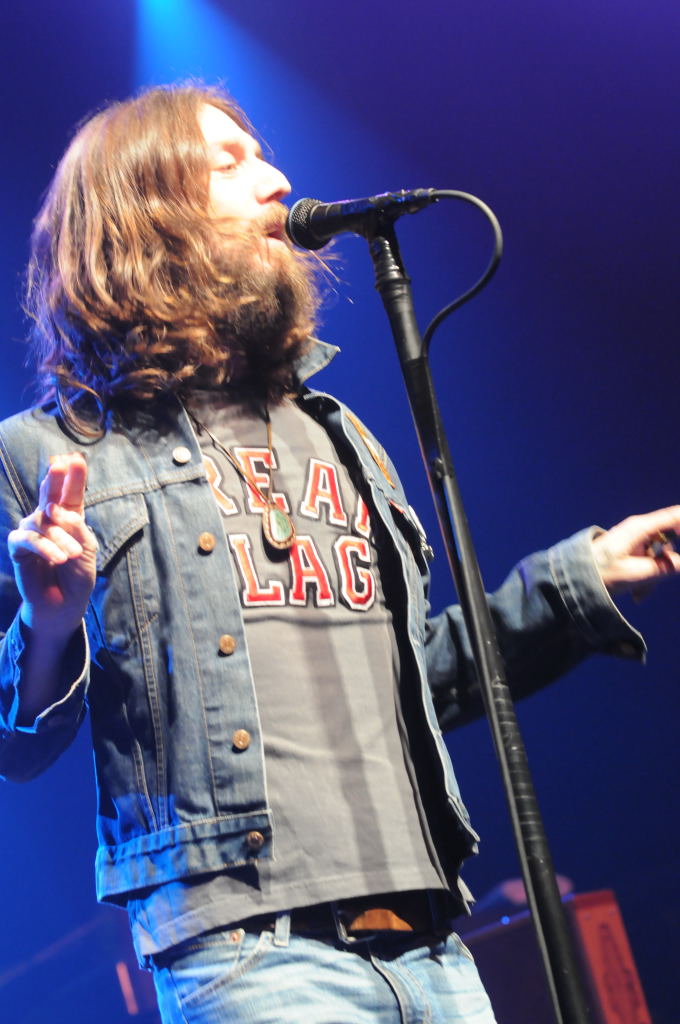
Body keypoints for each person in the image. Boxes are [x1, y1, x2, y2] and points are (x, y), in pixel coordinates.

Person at [0, 83, 677, 1024]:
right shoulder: (46, 453)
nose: (277, 180)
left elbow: (415, 676)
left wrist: (578, 580)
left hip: (435, 944)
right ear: (143, 209)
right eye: (230, 163)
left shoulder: (336, 432)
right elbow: (17, 744)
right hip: (252, 952)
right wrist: (49, 624)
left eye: (264, 154)